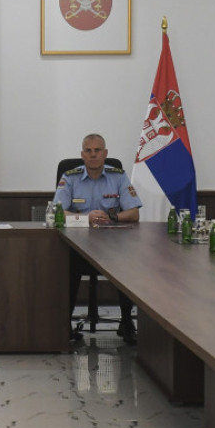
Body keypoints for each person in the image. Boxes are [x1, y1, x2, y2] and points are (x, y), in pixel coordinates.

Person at [54, 134, 141, 345]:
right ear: (82, 154)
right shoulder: (70, 177)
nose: (93, 155)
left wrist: (112, 217)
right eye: (88, 151)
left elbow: (133, 213)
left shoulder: (118, 176)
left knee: (128, 264)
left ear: (105, 153)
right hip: (79, 245)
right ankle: (64, 326)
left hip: (112, 245)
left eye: (97, 150)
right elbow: (57, 212)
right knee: (67, 265)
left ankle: (127, 323)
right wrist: (86, 218)